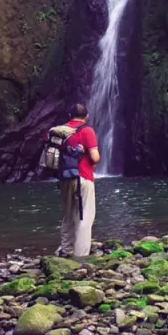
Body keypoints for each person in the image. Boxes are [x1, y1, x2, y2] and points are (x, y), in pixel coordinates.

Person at [57, 103, 99, 258]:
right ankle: (81, 256)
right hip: (83, 177)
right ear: (86, 116)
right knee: (85, 216)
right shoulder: (87, 131)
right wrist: (94, 163)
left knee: (68, 214)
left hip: (64, 178)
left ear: (69, 116)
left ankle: (66, 250)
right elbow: (94, 156)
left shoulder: (61, 132)